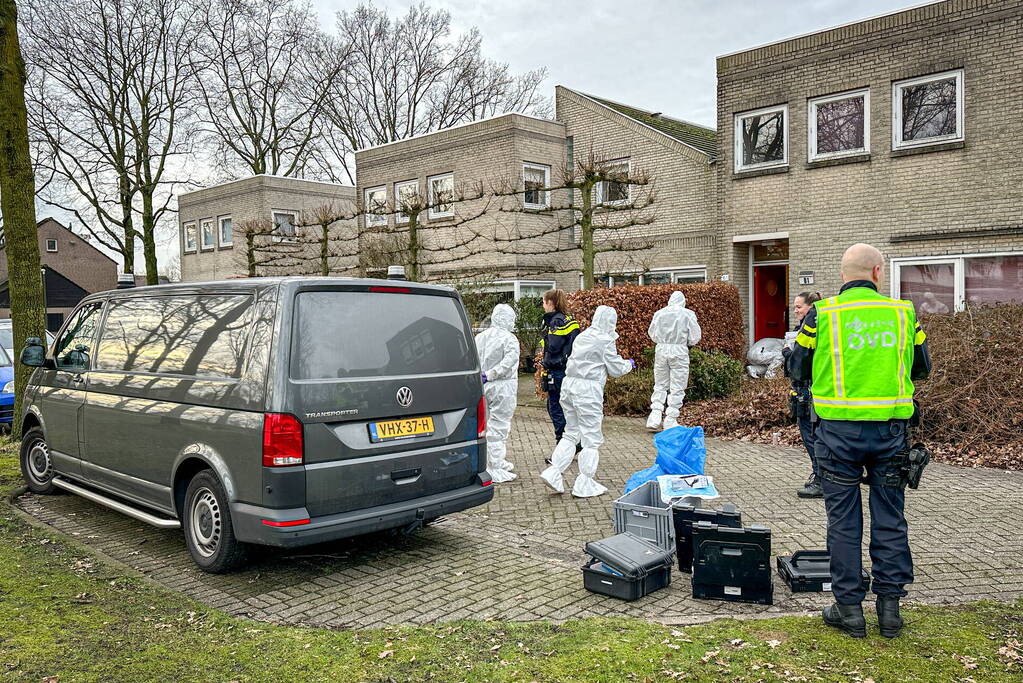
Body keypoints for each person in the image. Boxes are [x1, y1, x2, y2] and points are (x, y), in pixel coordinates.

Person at [787, 243, 931, 640]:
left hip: (837, 436)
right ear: (878, 273)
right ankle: (890, 611)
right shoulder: (903, 314)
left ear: (843, 274)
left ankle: (849, 609)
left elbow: (796, 367)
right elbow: (922, 368)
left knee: (844, 522)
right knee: (890, 517)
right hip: (891, 434)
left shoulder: (824, 314)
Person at [541, 305, 634, 497]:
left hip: (569, 386)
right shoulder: (605, 340)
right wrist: (629, 364)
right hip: (587, 390)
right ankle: (584, 482)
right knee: (591, 438)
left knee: (571, 433)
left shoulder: (583, 335)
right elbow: (615, 368)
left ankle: (554, 472)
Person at [782, 291, 822, 498]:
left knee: (811, 437)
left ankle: (821, 478)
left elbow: (798, 366)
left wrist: (789, 354)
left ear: (811, 306)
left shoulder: (810, 327)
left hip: (806, 392)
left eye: (799, 307)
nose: (795, 311)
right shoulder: (812, 326)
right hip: (810, 391)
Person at [474, 303, 520, 483]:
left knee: (485, 424)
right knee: (499, 426)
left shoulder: (480, 337)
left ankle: (493, 461)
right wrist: (492, 374)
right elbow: (508, 363)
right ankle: (494, 467)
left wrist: (483, 376)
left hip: (484, 386)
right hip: (503, 387)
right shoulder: (509, 339)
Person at [646, 291, 702, 431]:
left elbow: (652, 333)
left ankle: (655, 416)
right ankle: (670, 419)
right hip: (679, 350)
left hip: (661, 350)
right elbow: (695, 337)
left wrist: (663, 341)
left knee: (660, 383)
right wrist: (684, 342)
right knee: (678, 385)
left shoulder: (659, 313)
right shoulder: (688, 314)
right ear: (683, 301)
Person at [540, 289, 580, 444]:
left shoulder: (555, 322)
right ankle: (573, 441)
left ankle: (564, 444)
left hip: (557, 371)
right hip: (566, 369)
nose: (543, 306)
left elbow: (554, 346)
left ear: (550, 302)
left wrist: (546, 336)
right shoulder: (569, 320)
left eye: (544, 302)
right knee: (564, 408)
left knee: (555, 408)